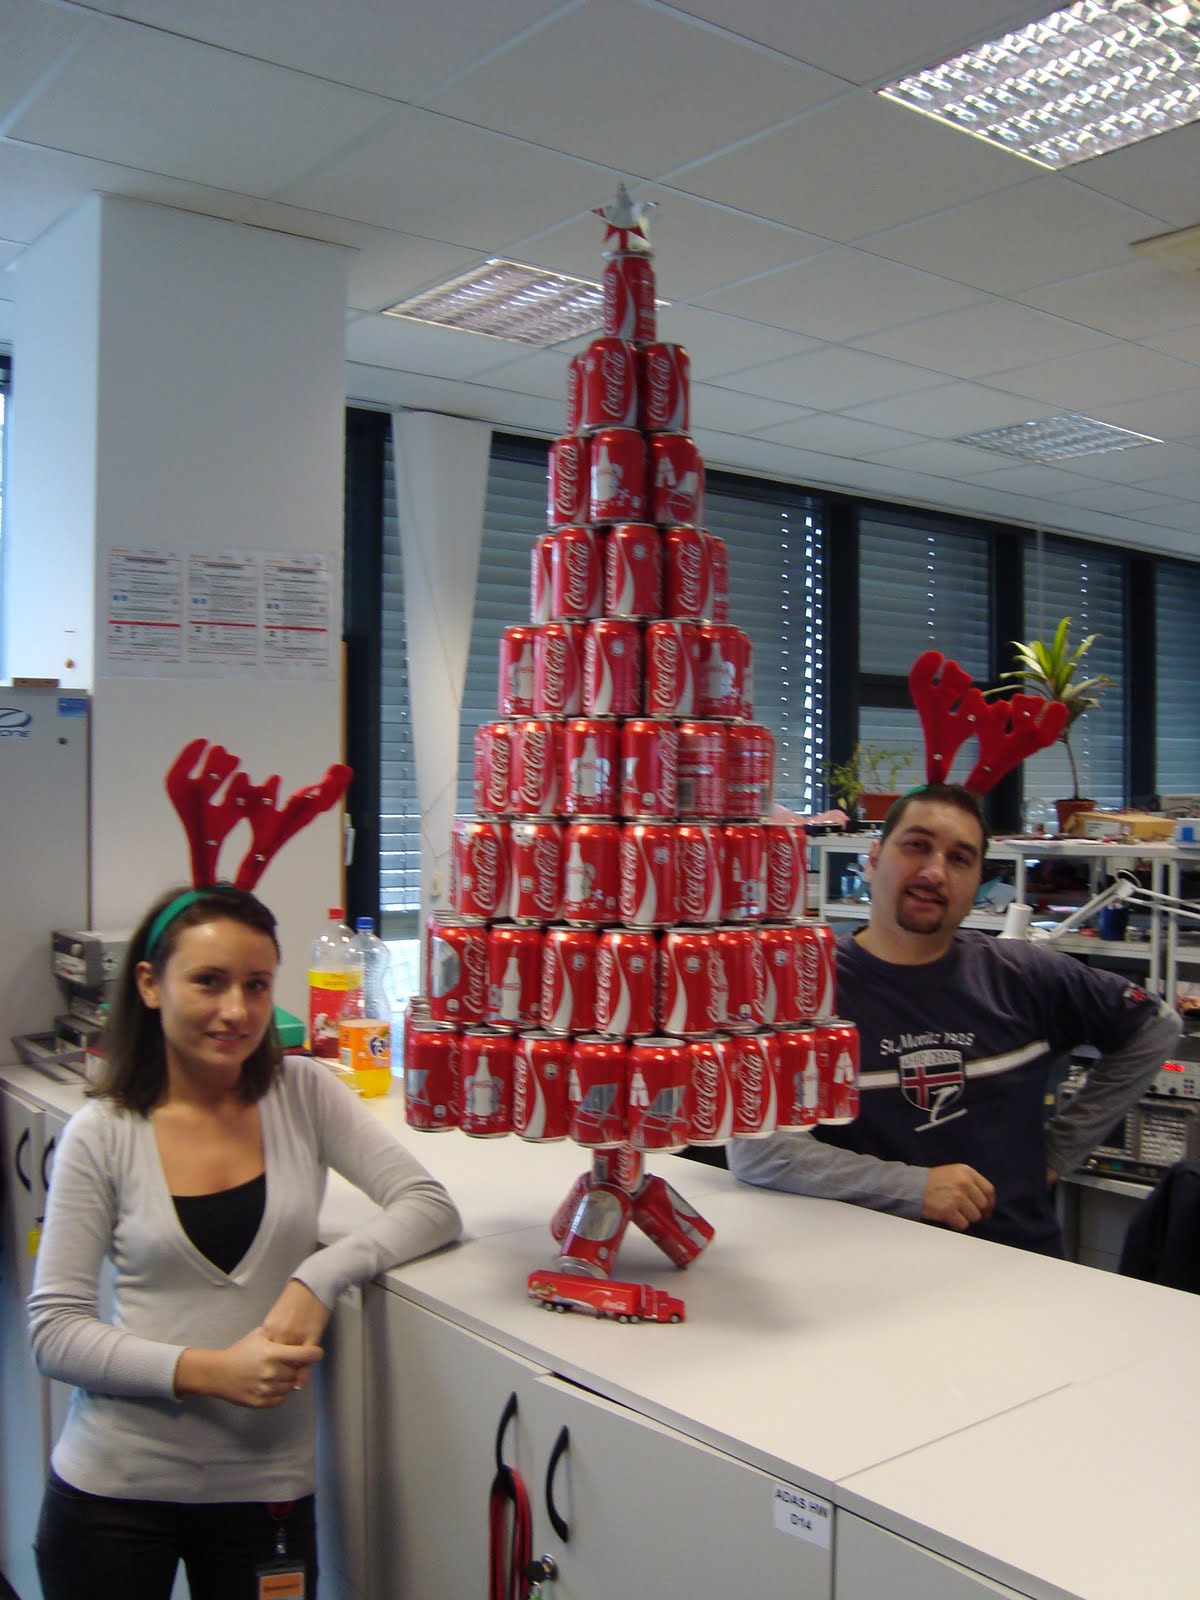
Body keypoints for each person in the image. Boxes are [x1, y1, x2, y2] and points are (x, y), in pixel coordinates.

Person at [27, 884, 462, 1599]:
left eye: (256, 985)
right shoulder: (102, 1134)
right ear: (150, 984)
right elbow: (56, 1332)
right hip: (114, 1490)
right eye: (208, 982)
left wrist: (317, 1277)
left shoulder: (303, 1092)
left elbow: (428, 1205)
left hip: (265, 1496)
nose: (236, 1010)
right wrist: (211, 1371)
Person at [728, 784, 1181, 1255]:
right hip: (865, 1274)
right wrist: (913, 1189)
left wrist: (1058, 1153)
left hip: (1018, 1268)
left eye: (960, 859)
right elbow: (758, 1152)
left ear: (978, 880)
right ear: (874, 859)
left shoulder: (1024, 975)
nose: (934, 872)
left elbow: (1156, 1027)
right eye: (917, 846)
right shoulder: (802, 989)